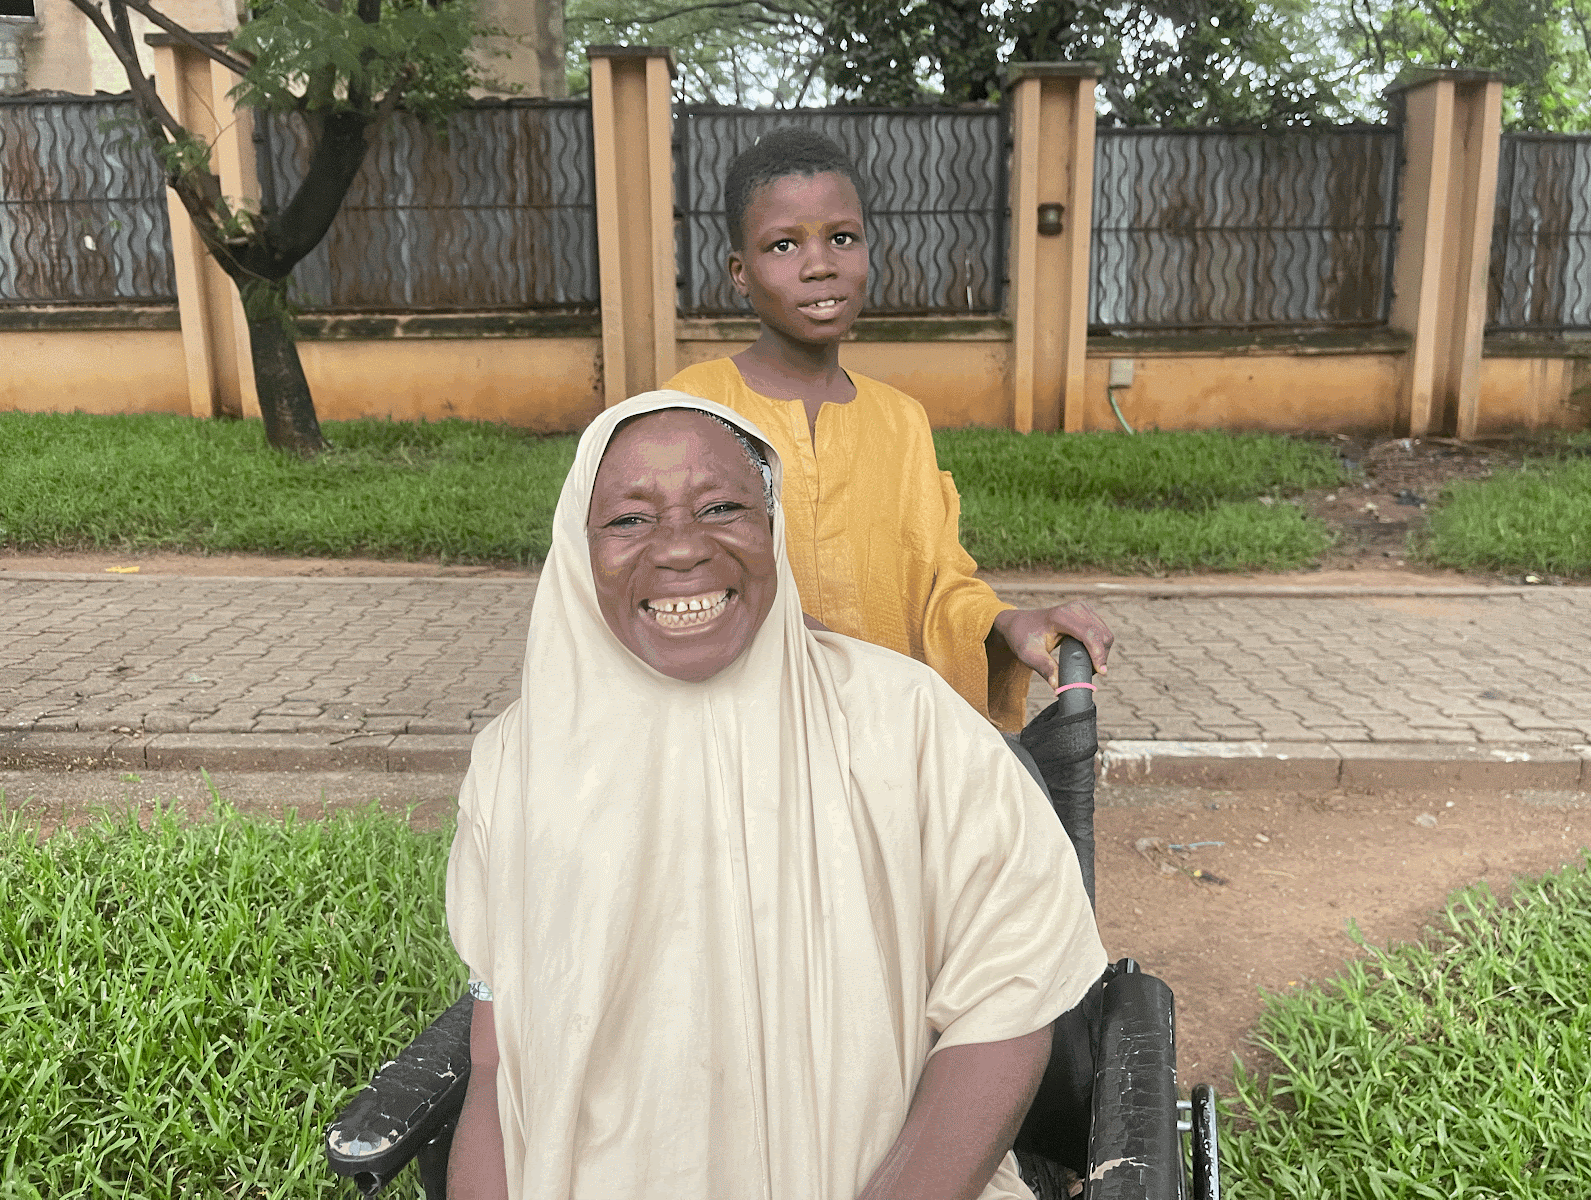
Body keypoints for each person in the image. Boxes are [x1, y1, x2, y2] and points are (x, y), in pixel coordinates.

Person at [443, 392, 1106, 1200]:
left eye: (721, 507)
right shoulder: (515, 765)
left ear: (771, 527)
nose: (680, 549)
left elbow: (1006, 1008)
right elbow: (493, 1060)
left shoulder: (907, 723)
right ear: (577, 549)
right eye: (627, 521)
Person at [663, 128, 1114, 735]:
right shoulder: (689, 408)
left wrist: (1008, 625)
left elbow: (940, 589)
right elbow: (665, 576)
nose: (820, 266)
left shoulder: (900, 421)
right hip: (734, 743)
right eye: (783, 246)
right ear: (739, 272)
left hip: (883, 744)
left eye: (842, 238)